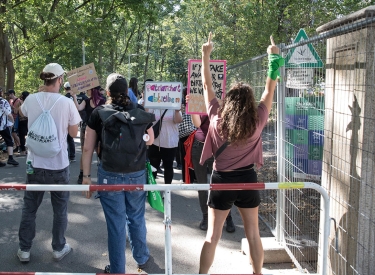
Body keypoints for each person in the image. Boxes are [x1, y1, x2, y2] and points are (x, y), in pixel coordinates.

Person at [198, 34, 283, 275]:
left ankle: (202, 274)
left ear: (229, 102)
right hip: (248, 180)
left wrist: (206, 55)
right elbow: (269, 87)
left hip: (222, 180)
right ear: (249, 103)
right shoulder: (257, 121)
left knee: (212, 236)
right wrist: (273, 56)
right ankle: (257, 273)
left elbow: (206, 86)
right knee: (253, 234)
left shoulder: (216, 118)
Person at [81, 73, 155, 273]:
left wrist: (86, 177)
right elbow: (151, 140)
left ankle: (117, 269)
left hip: (109, 174)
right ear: (127, 92)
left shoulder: (99, 113)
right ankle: (141, 257)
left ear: (107, 93)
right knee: (136, 217)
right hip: (136, 172)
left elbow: (88, 148)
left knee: (116, 224)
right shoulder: (139, 111)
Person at [17, 63, 81, 263]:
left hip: (34, 163)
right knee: (60, 209)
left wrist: (37, 96)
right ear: (60, 80)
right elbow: (73, 133)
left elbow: (21, 113)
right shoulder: (66, 102)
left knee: (30, 209)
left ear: (44, 79)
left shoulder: (32, 99)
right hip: (58, 164)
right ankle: (58, 247)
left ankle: (24, 249)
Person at [189, 112, 235, 233]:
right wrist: (192, 107)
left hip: (218, 147)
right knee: (202, 185)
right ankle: (205, 216)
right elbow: (197, 123)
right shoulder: (199, 99)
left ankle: (228, 217)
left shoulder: (221, 99)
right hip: (200, 146)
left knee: (221, 184)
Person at [71, 86, 106, 184]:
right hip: (86, 128)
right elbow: (78, 108)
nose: (86, 91)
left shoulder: (103, 101)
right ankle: (82, 175)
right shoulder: (86, 100)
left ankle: (102, 173)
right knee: (85, 152)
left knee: (99, 151)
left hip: (99, 129)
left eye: (88, 89)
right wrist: (74, 96)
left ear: (92, 90)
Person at [147, 105, 182, 185]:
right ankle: (152, 191)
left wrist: (177, 111)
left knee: (168, 166)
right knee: (153, 166)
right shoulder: (153, 105)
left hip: (170, 142)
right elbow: (147, 116)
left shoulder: (174, 105)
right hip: (155, 142)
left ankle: (167, 191)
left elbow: (178, 120)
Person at [0, 87, 19, 166]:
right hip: (2, 125)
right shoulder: (3, 101)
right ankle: (10, 158)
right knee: (9, 141)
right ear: (1, 92)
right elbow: (9, 114)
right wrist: (12, 122)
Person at [63, 82, 76, 162]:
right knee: (71, 139)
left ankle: (65, 155)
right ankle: (72, 156)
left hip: (65, 119)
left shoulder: (63, 98)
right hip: (73, 119)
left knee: (64, 138)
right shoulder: (75, 97)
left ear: (65, 88)